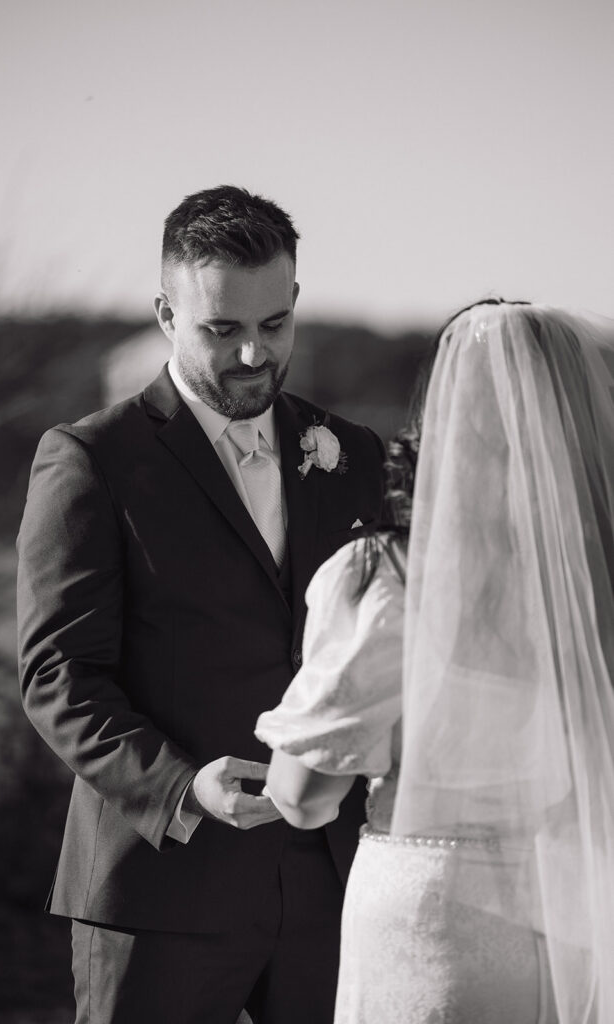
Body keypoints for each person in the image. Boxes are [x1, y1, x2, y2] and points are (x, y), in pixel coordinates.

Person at [16, 185, 386, 1024]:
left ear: (294, 303)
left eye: (273, 326)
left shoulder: (350, 454)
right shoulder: (90, 459)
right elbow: (58, 675)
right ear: (164, 313)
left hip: (334, 890)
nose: (254, 356)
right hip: (161, 891)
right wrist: (185, 788)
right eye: (222, 330)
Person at [256, 300, 614, 1024]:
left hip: (431, 919)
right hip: (576, 918)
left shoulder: (388, 579)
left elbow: (304, 797)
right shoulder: (591, 580)